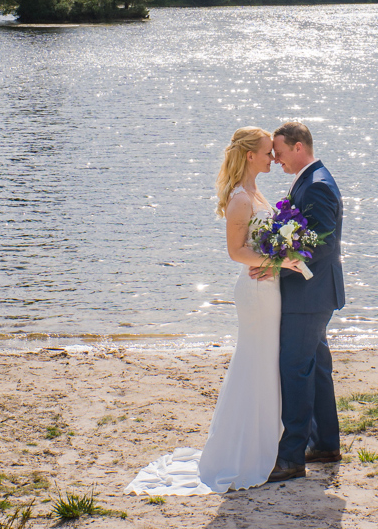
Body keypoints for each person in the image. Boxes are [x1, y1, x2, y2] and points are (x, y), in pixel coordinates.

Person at [127, 127, 304, 494]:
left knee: (265, 363)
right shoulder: (240, 199)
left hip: (268, 287)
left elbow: (261, 243)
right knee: (255, 363)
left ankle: (263, 444)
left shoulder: (257, 192)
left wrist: (280, 255)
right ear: (250, 156)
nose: (273, 158)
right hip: (256, 292)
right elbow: (236, 251)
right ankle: (242, 452)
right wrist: (279, 262)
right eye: (267, 153)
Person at [264, 120, 346, 482]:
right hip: (315, 294)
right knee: (317, 368)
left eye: (279, 152)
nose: (276, 159)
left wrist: (278, 262)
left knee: (295, 370)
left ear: (299, 147)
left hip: (309, 295)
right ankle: (324, 444)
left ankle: (291, 458)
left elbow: (322, 243)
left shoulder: (317, 186)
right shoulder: (310, 180)